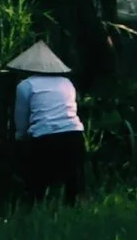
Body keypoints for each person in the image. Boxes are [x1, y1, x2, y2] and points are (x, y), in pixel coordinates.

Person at [7, 42, 84, 202]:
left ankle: (36, 208)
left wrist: (20, 136)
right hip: (74, 133)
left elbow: (21, 116)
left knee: (38, 182)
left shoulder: (25, 85)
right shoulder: (66, 83)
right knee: (72, 181)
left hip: (45, 136)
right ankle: (72, 208)